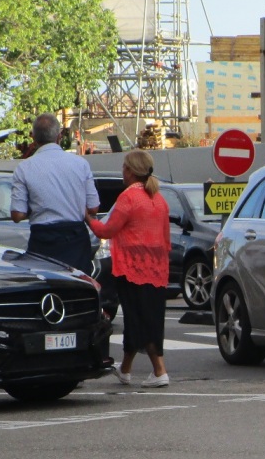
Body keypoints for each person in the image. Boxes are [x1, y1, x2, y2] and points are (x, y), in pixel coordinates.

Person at [86, 149, 171, 388]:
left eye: (124, 167)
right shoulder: (159, 199)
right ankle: (125, 369)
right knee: (149, 317)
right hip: (157, 268)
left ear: (131, 171)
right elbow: (166, 238)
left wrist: (87, 218)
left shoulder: (129, 197)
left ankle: (159, 370)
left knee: (138, 319)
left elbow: (106, 231)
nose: (122, 172)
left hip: (132, 267)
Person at [11, 114, 100, 274]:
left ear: (33, 138)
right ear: (59, 136)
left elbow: (17, 215)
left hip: (42, 241)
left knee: (47, 291)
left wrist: (36, 207)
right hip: (75, 240)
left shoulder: (24, 168)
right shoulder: (80, 164)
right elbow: (93, 208)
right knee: (78, 291)